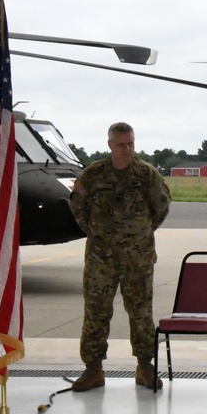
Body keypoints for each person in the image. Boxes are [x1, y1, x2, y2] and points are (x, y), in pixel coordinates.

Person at [68, 122, 171, 392]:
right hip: (101, 258)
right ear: (110, 145)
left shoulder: (147, 174)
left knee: (140, 313)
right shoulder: (93, 175)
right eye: (121, 144)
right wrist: (94, 231)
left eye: (131, 144)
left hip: (138, 258)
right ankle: (93, 369)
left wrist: (138, 235)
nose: (127, 149)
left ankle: (144, 367)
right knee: (96, 312)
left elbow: (160, 207)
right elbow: (77, 204)